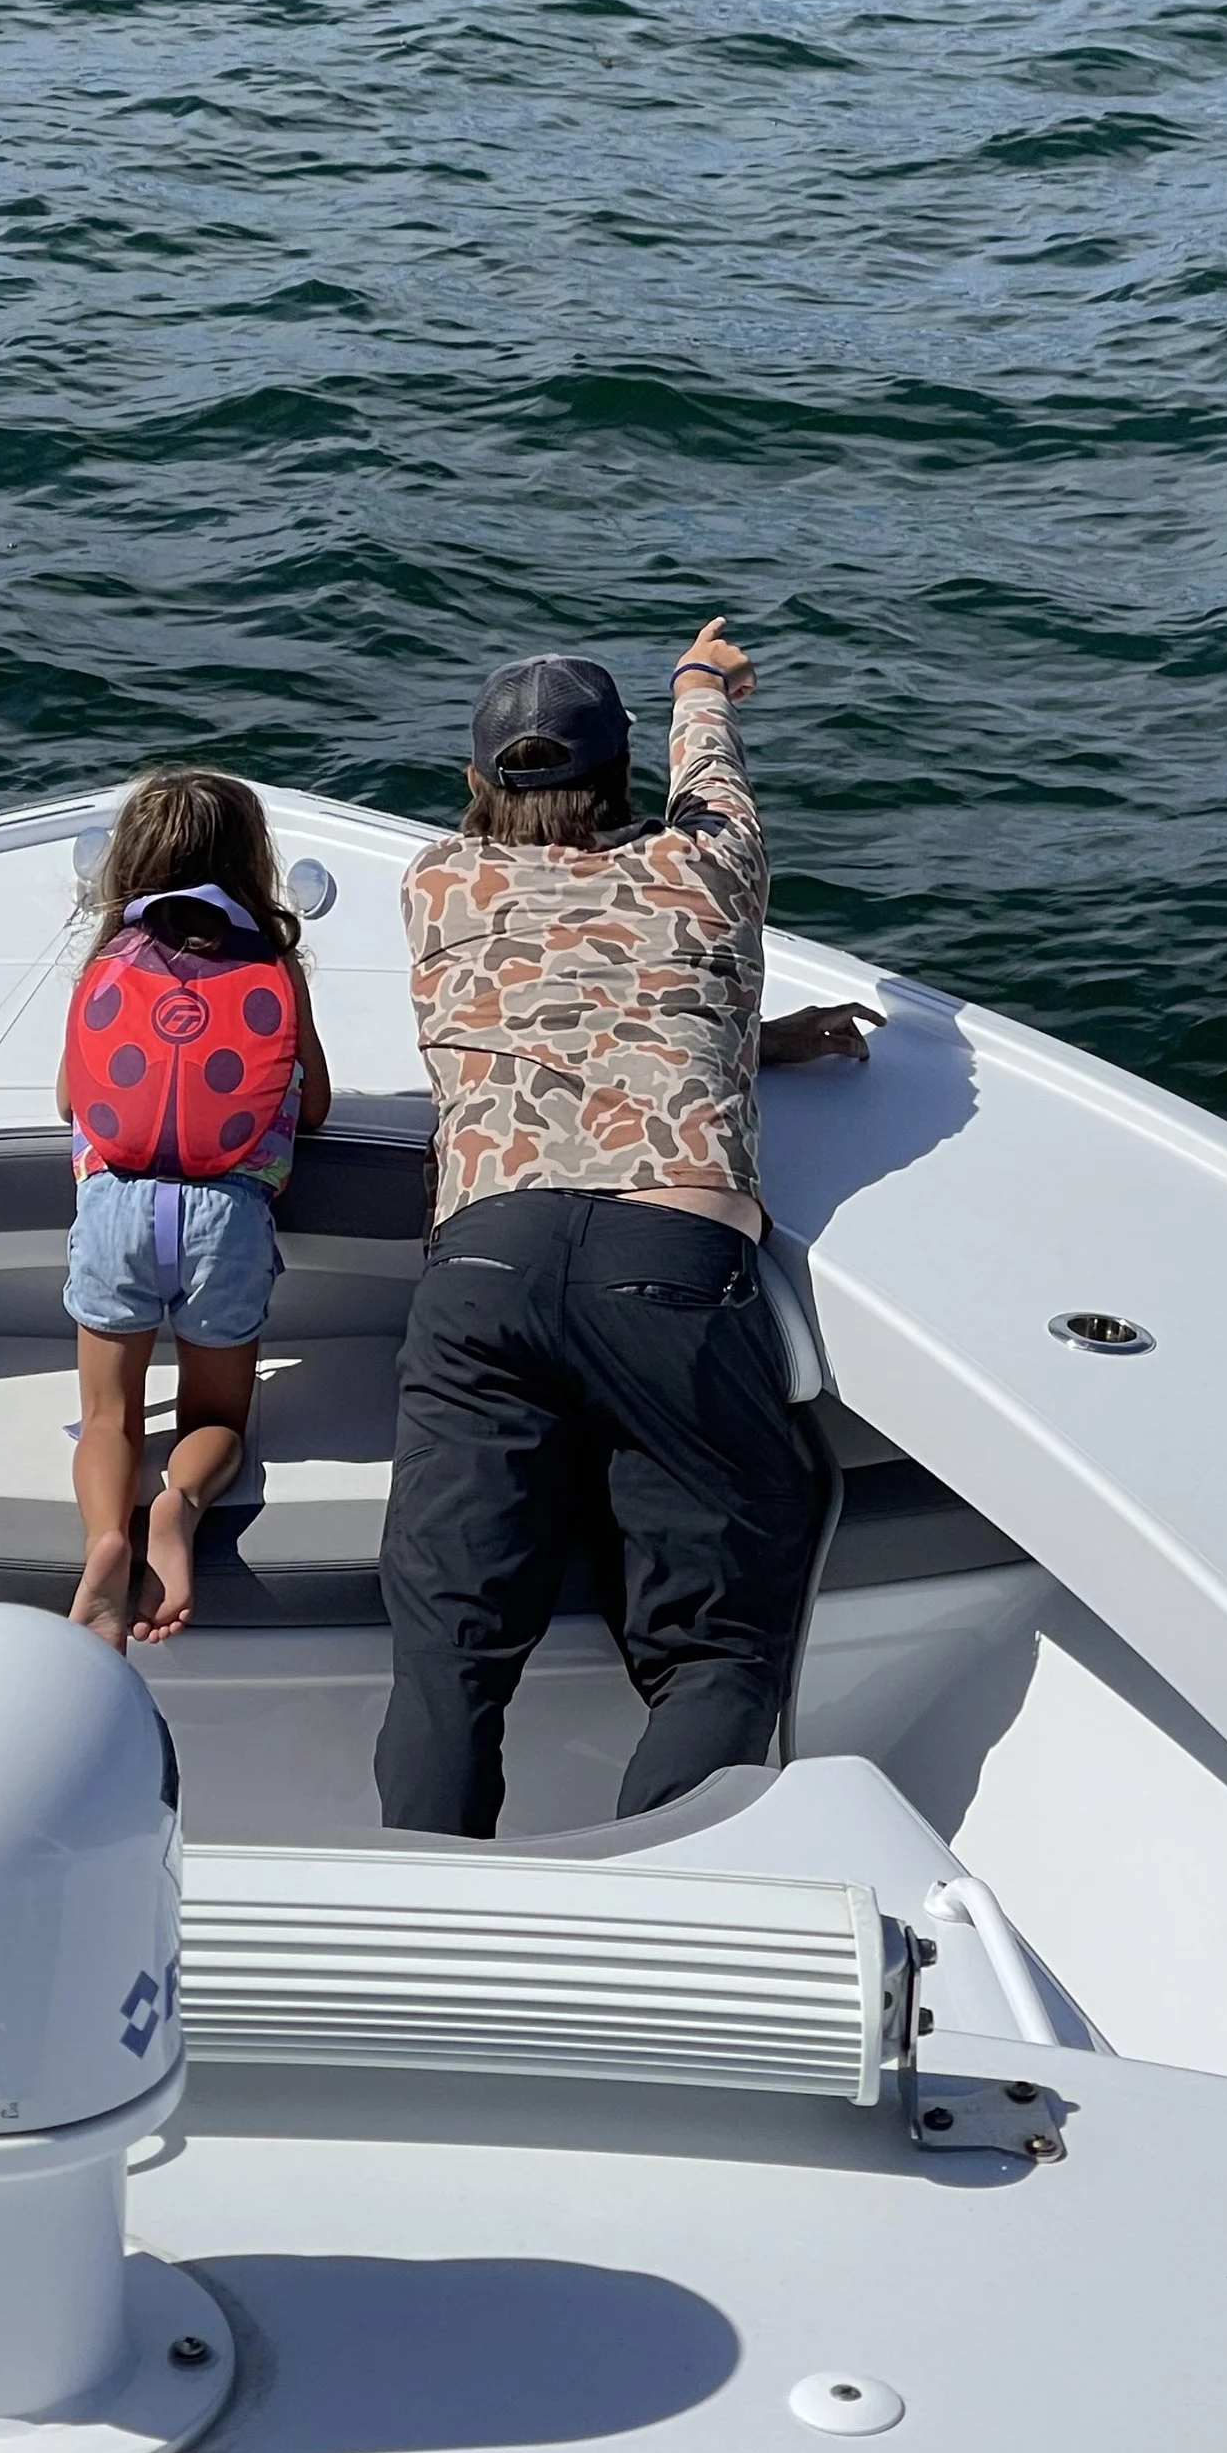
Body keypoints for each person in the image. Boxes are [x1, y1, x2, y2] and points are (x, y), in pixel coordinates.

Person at [375, 615, 882, 1835]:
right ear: (621, 782)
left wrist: (743, 1042)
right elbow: (707, 786)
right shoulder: (707, 868)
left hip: (485, 1268)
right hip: (667, 1268)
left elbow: (551, 1003)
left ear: (474, 788)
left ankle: (430, 1925)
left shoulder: (439, 883)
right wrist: (701, 680)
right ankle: (665, 1893)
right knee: (721, 1639)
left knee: (450, 1652)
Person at [56, 767, 331, 1649]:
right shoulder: (274, 967)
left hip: (113, 1209)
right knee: (216, 1419)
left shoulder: (108, 962)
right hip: (228, 1219)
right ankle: (177, 1506)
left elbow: (72, 1101)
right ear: (252, 866)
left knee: (109, 1419)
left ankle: (107, 1538)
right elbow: (314, 1103)